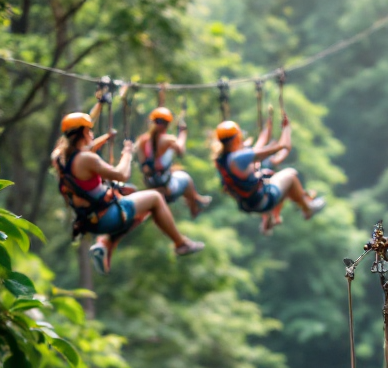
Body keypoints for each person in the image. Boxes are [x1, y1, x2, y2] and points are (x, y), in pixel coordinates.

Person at [52, 112, 205, 275]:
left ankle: (105, 244)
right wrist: (127, 153)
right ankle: (180, 243)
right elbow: (121, 174)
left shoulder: (59, 157)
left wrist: (105, 138)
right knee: (155, 198)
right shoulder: (88, 159)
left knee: (139, 202)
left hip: (88, 219)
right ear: (83, 132)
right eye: (89, 130)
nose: (91, 133)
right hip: (106, 218)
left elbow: (83, 150)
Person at [212, 117, 324, 234]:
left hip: (246, 203)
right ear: (236, 139)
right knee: (291, 175)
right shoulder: (237, 158)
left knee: (279, 182)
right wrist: (286, 130)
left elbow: (258, 147)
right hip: (262, 201)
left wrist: (267, 128)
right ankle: (308, 208)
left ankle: (272, 219)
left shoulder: (223, 158)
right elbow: (283, 146)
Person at [135, 107, 211, 217]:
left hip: (150, 183)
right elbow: (181, 151)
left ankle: (196, 200)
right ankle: (194, 204)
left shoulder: (142, 140)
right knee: (185, 178)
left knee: (178, 173)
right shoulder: (167, 139)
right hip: (166, 188)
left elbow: (146, 164)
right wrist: (182, 133)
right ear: (168, 124)